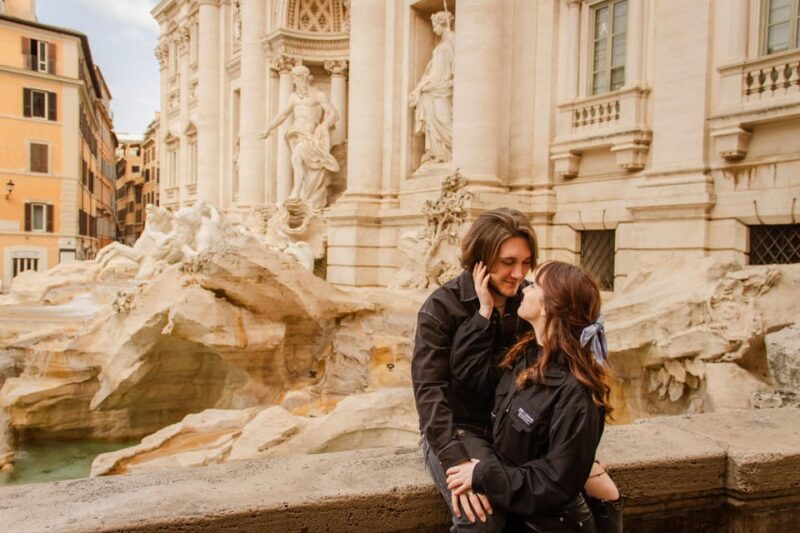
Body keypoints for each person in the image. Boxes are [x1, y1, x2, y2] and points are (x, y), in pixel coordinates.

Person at [445, 261, 623, 532]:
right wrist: (484, 312)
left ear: (547, 307)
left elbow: (555, 482)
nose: (525, 288)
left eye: (536, 285)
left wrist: (484, 475)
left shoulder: (575, 392)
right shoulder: (528, 354)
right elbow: (470, 373)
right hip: (524, 515)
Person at [413, 207, 537, 531]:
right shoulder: (441, 307)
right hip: (461, 430)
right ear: (480, 259)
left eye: (526, 262)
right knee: (482, 518)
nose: (518, 273)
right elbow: (429, 391)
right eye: (508, 262)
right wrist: (455, 459)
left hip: (515, 429)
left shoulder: (529, 301)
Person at [261, 65, 339, 210]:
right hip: (296, 134)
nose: (294, 82)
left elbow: (333, 114)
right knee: (298, 161)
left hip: (310, 135)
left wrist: (324, 125)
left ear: (303, 78)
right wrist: (269, 128)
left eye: (296, 78)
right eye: (293, 79)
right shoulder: (293, 97)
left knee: (297, 158)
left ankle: (296, 192)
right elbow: (283, 115)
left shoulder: (318, 95)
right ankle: (299, 193)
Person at [408, 9, 454, 169]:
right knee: (430, 117)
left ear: (443, 23)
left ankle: (450, 152)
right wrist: (421, 86)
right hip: (433, 85)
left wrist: (448, 81)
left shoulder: (452, 40)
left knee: (443, 119)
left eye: (435, 25)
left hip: (443, 86)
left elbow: (455, 65)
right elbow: (431, 69)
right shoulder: (441, 44)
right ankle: (436, 153)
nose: (433, 29)